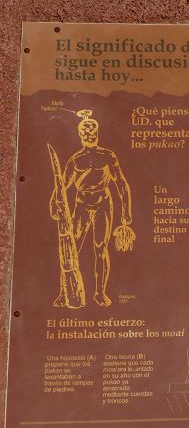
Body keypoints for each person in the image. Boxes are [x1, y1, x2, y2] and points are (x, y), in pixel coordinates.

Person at [50, 111, 134, 307]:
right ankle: (64, 292)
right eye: (85, 133)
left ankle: (100, 293)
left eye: (92, 132)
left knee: (100, 249)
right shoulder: (75, 160)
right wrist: (54, 202)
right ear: (80, 135)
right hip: (82, 205)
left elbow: (121, 183)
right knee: (72, 248)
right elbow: (62, 185)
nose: (89, 135)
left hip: (103, 204)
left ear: (97, 134)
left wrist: (126, 213)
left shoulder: (107, 156)